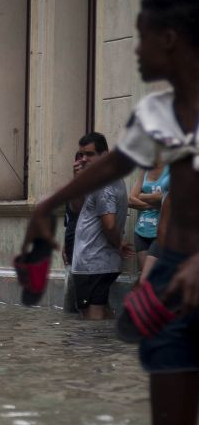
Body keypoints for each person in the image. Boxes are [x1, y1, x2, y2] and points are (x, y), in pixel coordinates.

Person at [21, 0, 199, 425]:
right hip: (171, 275)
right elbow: (116, 164)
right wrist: (46, 203)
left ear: (171, 38)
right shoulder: (158, 111)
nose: (135, 49)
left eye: (142, 36)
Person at [68, 132, 130, 320]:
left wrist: (118, 243)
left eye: (89, 154)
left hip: (94, 262)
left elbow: (109, 223)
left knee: (91, 315)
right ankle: (108, 347)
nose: (84, 159)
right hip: (94, 261)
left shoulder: (104, 183)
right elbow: (77, 208)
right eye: (81, 155)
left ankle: (93, 349)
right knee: (101, 310)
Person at [128, 163, 170, 271]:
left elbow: (165, 196)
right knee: (145, 278)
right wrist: (153, 205)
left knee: (152, 275)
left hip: (160, 232)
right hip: (141, 230)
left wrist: (142, 196)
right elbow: (132, 199)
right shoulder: (144, 169)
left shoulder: (170, 168)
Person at [61, 149, 88, 312]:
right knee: (70, 301)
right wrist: (65, 244)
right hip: (72, 246)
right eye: (78, 161)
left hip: (87, 249)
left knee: (87, 301)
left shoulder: (96, 187)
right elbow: (69, 219)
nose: (80, 164)